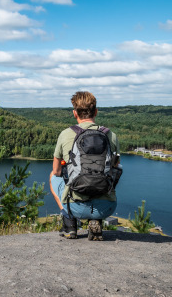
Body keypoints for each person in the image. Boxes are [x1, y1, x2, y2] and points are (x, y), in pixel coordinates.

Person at [49, 91, 120, 240]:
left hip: (76, 207)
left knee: (52, 177)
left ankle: (70, 225)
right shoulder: (111, 135)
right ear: (96, 112)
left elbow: (56, 171)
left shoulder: (65, 134)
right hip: (106, 207)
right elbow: (115, 169)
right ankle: (95, 221)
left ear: (75, 113)